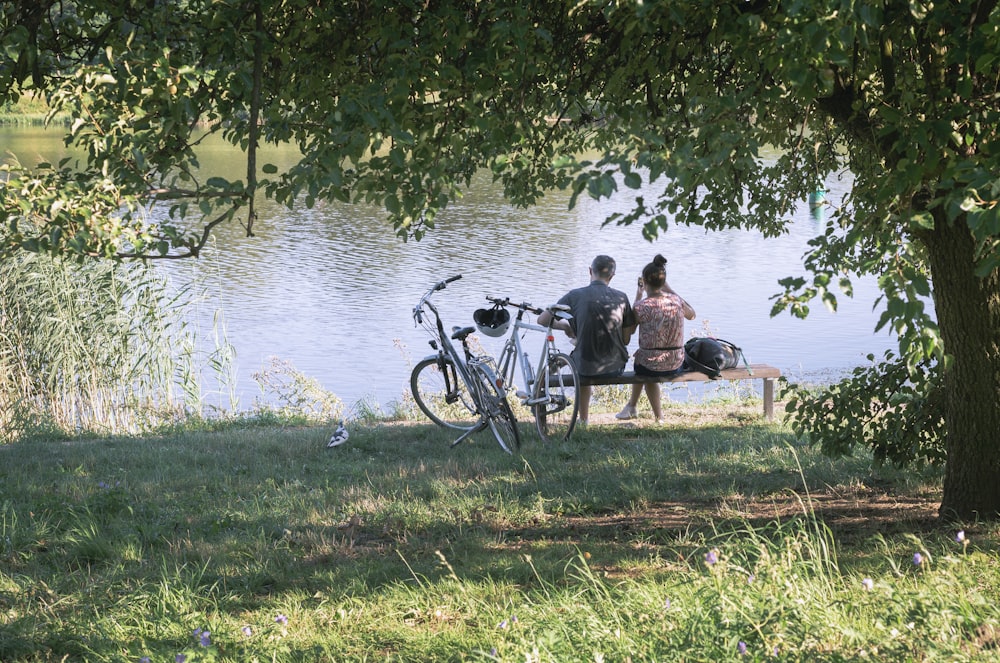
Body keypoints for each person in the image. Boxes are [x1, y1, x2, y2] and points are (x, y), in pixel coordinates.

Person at [538, 255, 636, 425]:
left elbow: (543, 320)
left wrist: (565, 327)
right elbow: (626, 341)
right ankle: (583, 418)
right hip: (615, 368)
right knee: (584, 355)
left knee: (581, 358)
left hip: (584, 368)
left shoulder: (575, 296)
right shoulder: (622, 297)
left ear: (590, 271)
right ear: (612, 276)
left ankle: (583, 419)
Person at [615, 254, 696, 423]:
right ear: (663, 282)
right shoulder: (676, 302)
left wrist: (638, 295)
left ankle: (658, 417)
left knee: (643, 365)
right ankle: (631, 407)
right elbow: (692, 315)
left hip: (650, 365)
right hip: (676, 363)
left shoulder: (642, 306)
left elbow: (629, 331)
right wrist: (670, 290)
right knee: (643, 359)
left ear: (644, 281)